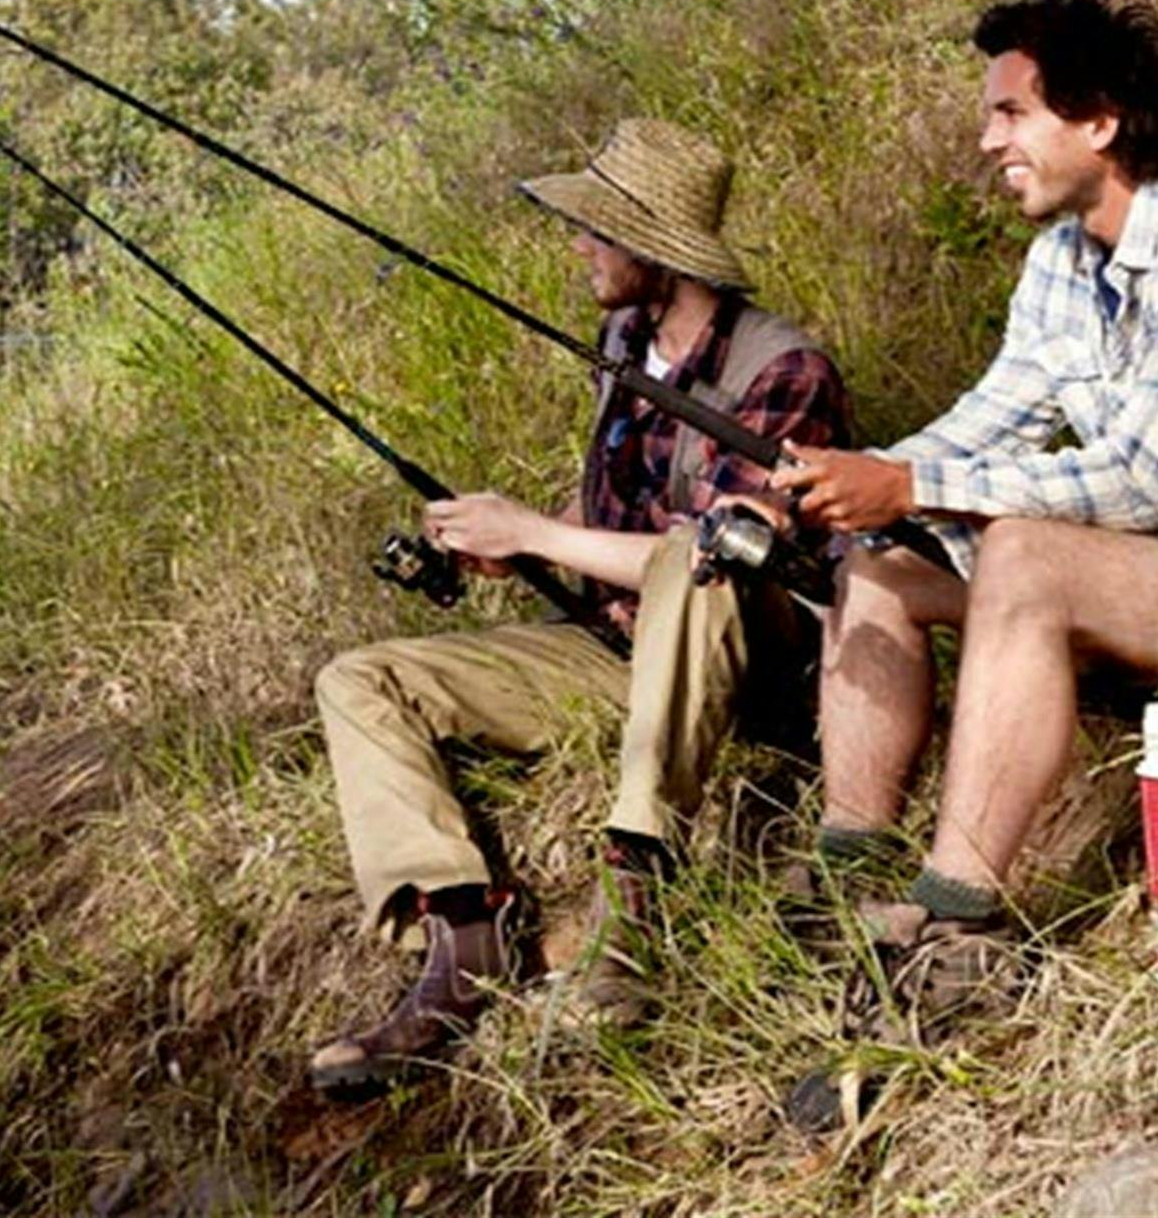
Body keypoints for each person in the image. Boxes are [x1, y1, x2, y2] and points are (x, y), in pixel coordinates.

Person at [772, 0, 1158, 1126]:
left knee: (1023, 551)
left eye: (1010, 112)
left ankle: (956, 928)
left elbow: (1142, 480)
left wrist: (916, 486)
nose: (987, 141)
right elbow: (990, 422)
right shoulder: (1060, 265)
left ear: (1100, 121)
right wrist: (851, 480)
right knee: (879, 565)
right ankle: (848, 872)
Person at [308, 117, 852, 1096]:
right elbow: (614, 516)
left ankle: (633, 904)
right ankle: (461, 935)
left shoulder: (783, 372)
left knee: (702, 554)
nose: (578, 246)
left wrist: (537, 536)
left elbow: (723, 554)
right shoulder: (620, 340)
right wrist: (503, 543)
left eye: (595, 230)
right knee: (359, 680)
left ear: (651, 245)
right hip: (611, 650)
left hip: (749, 668)